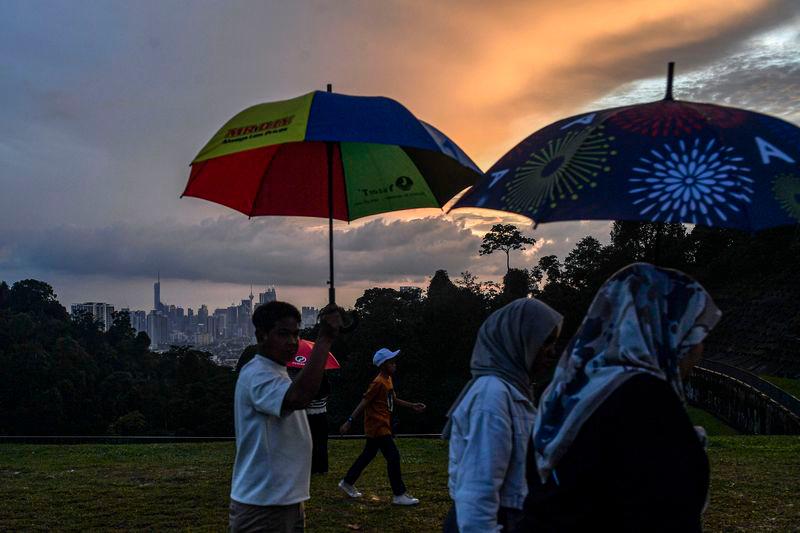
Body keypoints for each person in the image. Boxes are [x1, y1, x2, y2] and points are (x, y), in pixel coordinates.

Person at [517, 263, 721, 532]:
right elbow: (672, 503)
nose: (699, 349)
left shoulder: (566, 387)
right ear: (669, 330)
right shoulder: (646, 398)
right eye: (696, 333)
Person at [442, 298, 563, 533]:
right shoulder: (493, 394)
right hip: (490, 520)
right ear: (517, 340)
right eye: (545, 342)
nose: (552, 352)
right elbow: (478, 490)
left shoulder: (513, 390)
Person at [229, 301, 342, 533]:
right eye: (283, 334)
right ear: (262, 335)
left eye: (295, 334)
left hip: (284, 501)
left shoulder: (276, 372)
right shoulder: (257, 374)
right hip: (264, 506)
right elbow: (299, 398)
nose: (292, 342)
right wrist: (324, 340)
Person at [338, 348, 426, 505]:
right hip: (378, 427)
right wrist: (349, 420)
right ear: (383, 365)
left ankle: (347, 482)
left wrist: (412, 405)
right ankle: (399, 495)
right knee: (393, 457)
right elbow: (364, 402)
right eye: (391, 362)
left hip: (382, 425)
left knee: (368, 455)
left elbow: (394, 399)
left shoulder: (388, 380)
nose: (395, 365)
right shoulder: (378, 383)